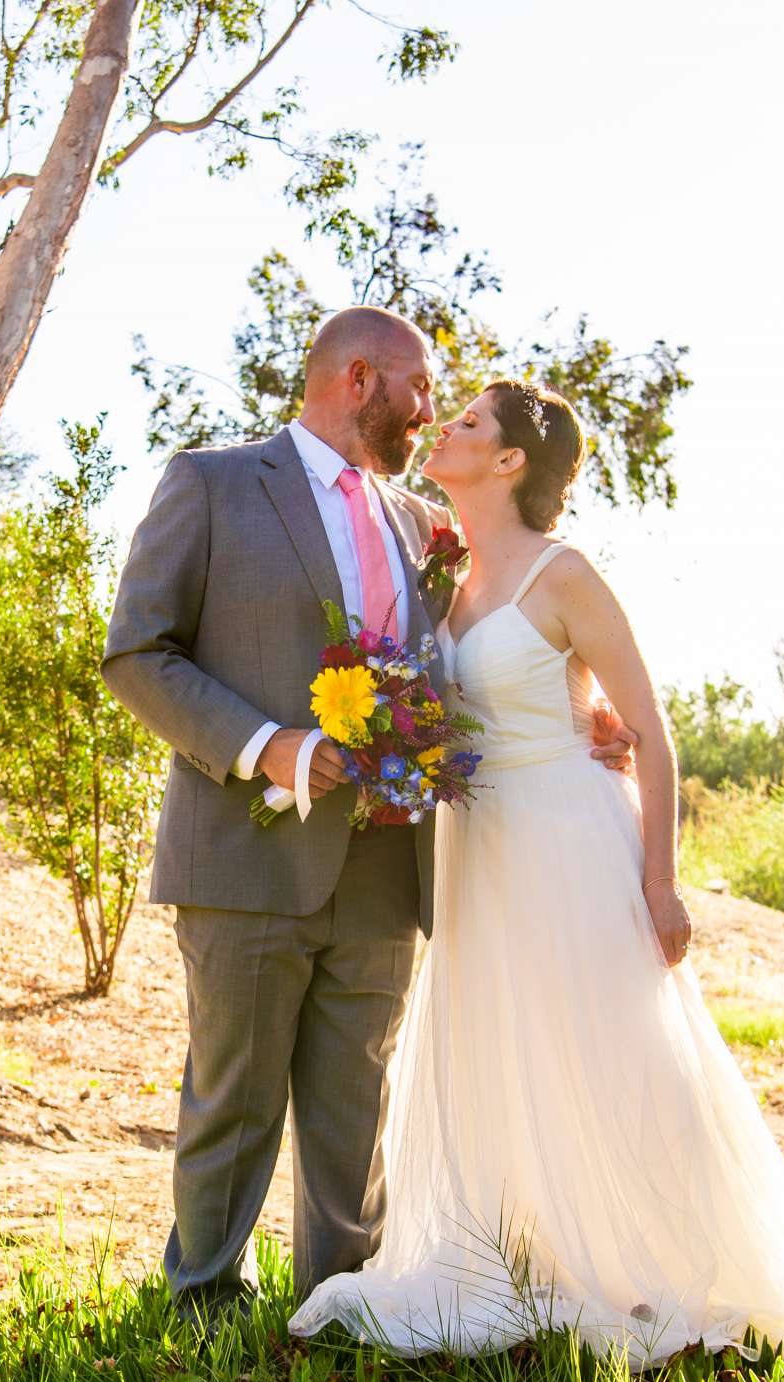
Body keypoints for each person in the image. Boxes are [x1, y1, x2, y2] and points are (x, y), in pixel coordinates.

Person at [286, 378, 784, 1366]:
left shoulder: (565, 576)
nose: (448, 429)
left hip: (569, 835)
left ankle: (654, 1259)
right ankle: (525, 1253)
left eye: (470, 423)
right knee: (498, 1040)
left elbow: (650, 733)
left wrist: (660, 883)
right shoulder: (443, 571)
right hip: (475, 851)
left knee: (604, 1045)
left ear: (511, 461)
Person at [101, 309, 636, 1318]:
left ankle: (341, 1308)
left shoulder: (417, 527)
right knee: (236, 1100)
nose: (431, 413)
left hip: (390, 866)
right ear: (359, 379)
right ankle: (204, 1307)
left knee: (356, 1112)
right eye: (421, 389)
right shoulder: (212, 484)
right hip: (248, 853)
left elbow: (472, 659)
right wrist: (274, 748)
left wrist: (580, 709)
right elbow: (138, 653)